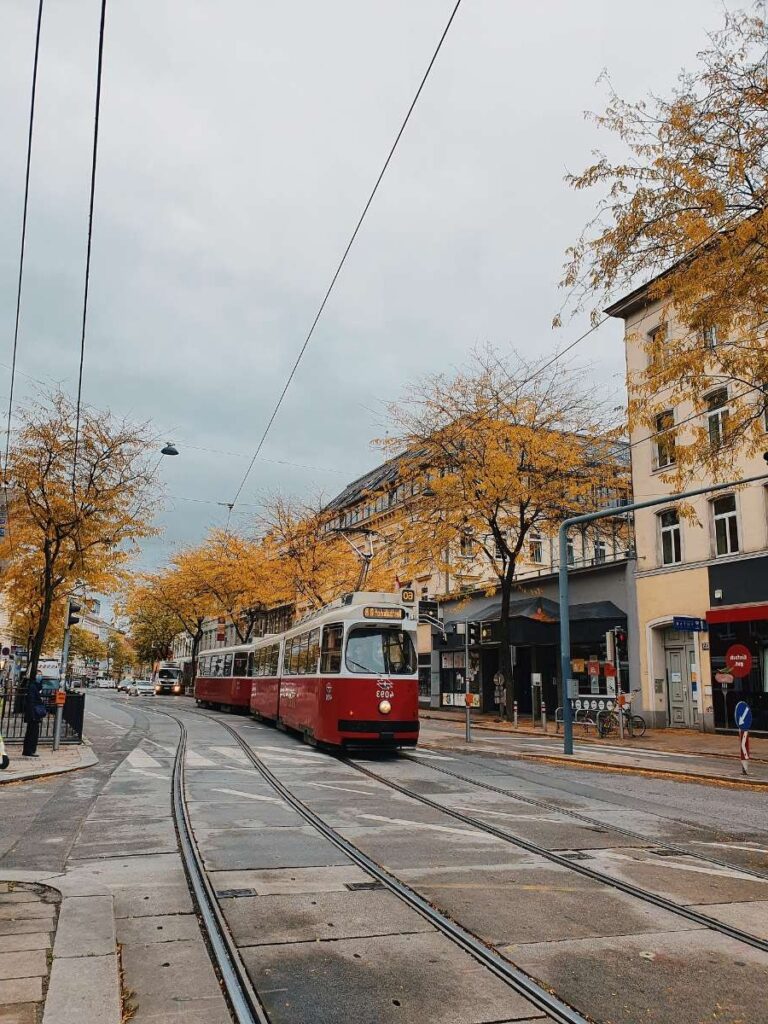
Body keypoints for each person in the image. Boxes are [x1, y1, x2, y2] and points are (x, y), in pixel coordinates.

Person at [22, 673, 45, 758]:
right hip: (33, 714)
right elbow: (31, 701)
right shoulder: (32, 687)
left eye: (41, 675)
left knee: (32, 732)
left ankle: (28, 750)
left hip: (34, 714)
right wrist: (32, 715)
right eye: (38, 675)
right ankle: (29, 750)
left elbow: (39, 687)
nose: (40, 676)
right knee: (32, 733)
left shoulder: (35, 686)